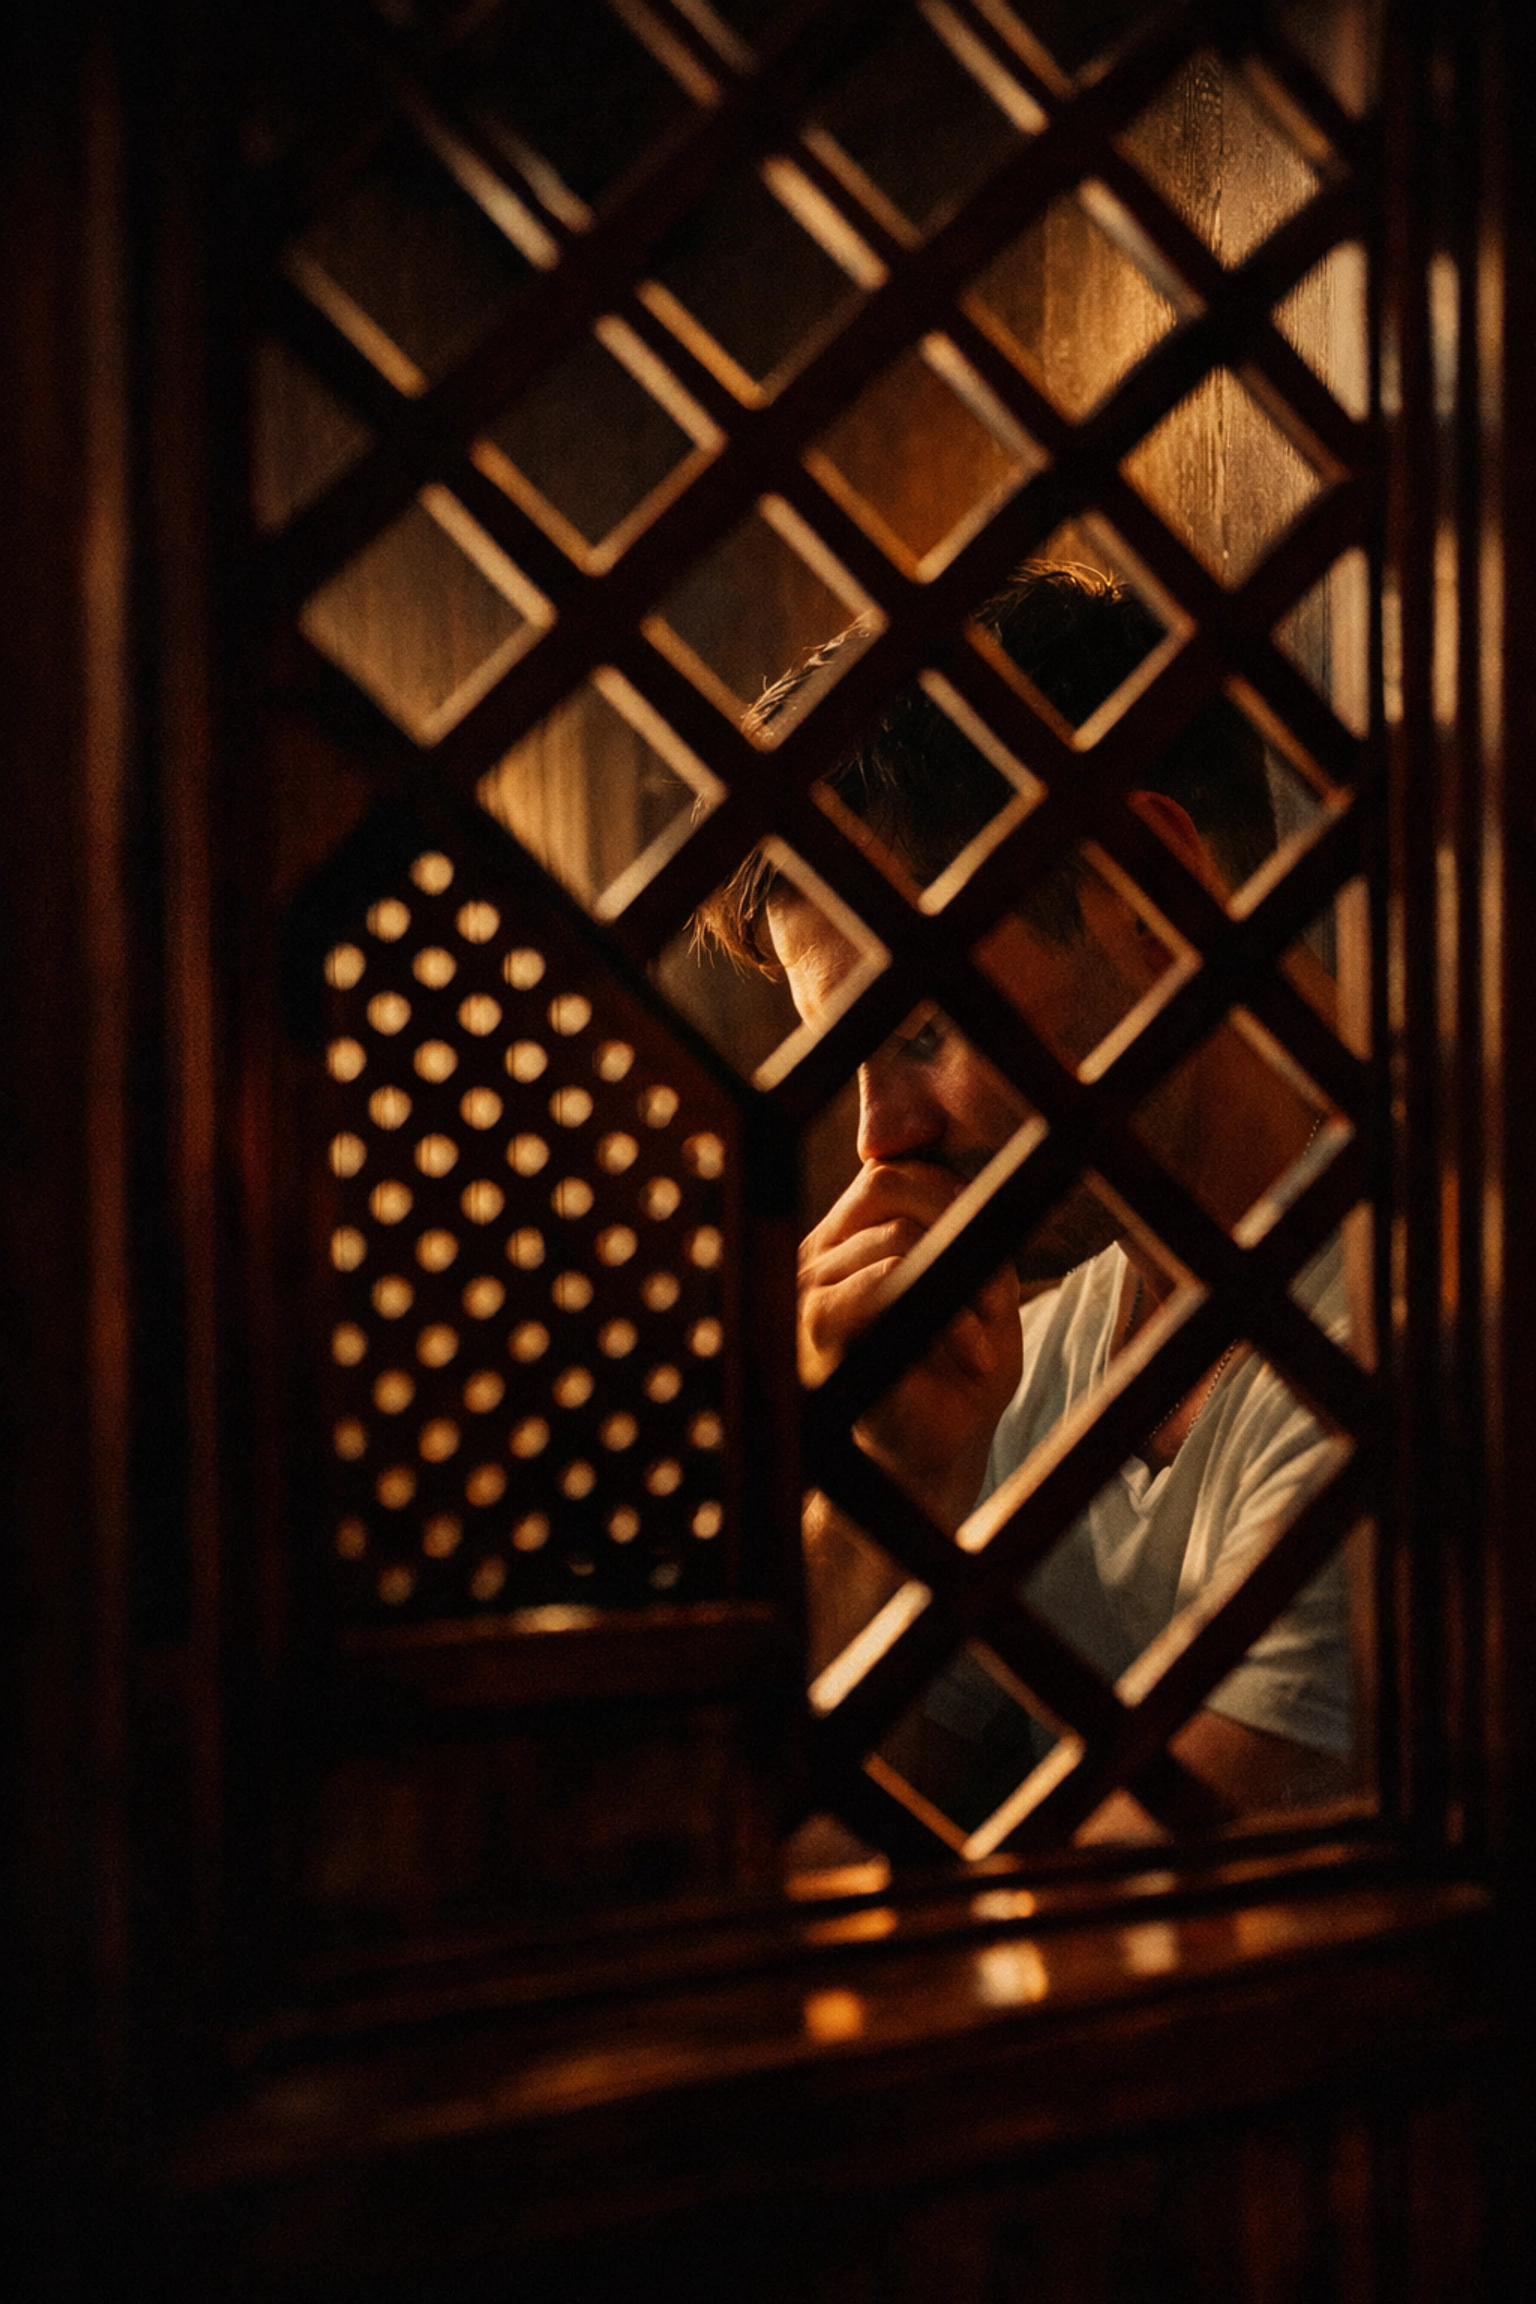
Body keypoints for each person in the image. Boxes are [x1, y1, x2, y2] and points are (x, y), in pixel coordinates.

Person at [700, 565, 1354, 1840]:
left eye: (927, 1026)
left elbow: (1113, 1958)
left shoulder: (1383, 1351)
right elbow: (779, 1846)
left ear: (1148, 893)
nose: (884, 1139)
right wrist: (886, 1484)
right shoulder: (1025, 1367)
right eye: (855, 1066)